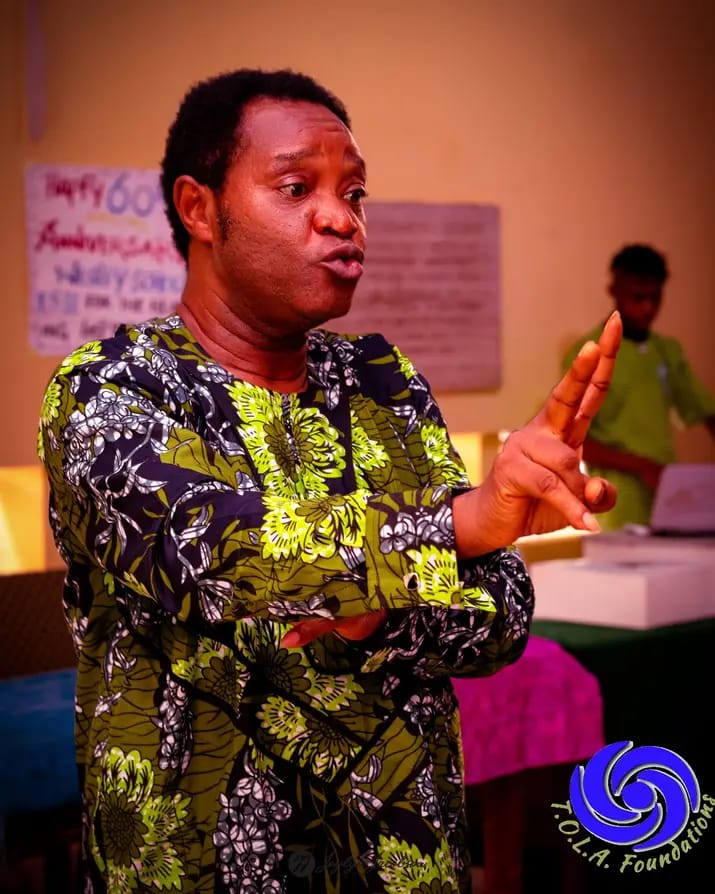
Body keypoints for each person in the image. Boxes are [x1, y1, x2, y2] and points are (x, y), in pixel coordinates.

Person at [38, 68, 620, 894]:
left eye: (354, 193)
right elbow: (216, 550)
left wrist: (374, 616)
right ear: (198, 208)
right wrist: (450, 529)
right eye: (295, 187)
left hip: (403, 860)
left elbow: (500, 617)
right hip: (197, 866)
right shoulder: (110, 390)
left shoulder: (382, 383)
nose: (342, 218)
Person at [563, 243, 715, 530]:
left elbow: (705, 411)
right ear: (614, 290)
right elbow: (574, 442)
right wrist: (641, 466)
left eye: (655, 298)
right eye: (638, 297)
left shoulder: (667, 351)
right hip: (614, 505)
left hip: (667, 497)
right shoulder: (588, 353)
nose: (647, 308)